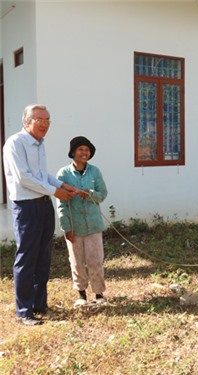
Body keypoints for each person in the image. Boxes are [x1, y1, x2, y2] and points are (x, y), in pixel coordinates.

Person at [2, 104, 77, 326]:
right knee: (27, 257)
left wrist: (63, 184)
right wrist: (56, 192)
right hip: (27, 207)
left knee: (43, 256)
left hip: (44, 205)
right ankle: (24, 311)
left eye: (47, 120)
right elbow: (24, 178)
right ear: (27, 122)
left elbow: (42, 175)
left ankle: (39, 304)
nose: (44, 124)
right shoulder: (16, 143)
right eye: (39, 120)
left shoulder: (40, 144)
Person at [56, 136, 108, 308]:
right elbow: (61, 204)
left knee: (95, 260)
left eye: (87, 150)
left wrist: (90, 193)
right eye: (80, 149)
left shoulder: (95, 172)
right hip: (75, 225)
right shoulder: (63, 174)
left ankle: (99, 294)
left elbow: (103, 194)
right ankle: (81, 295)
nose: (84, 153)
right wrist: (66, 227)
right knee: (77, 261)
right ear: (73, 152)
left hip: (93, 224)